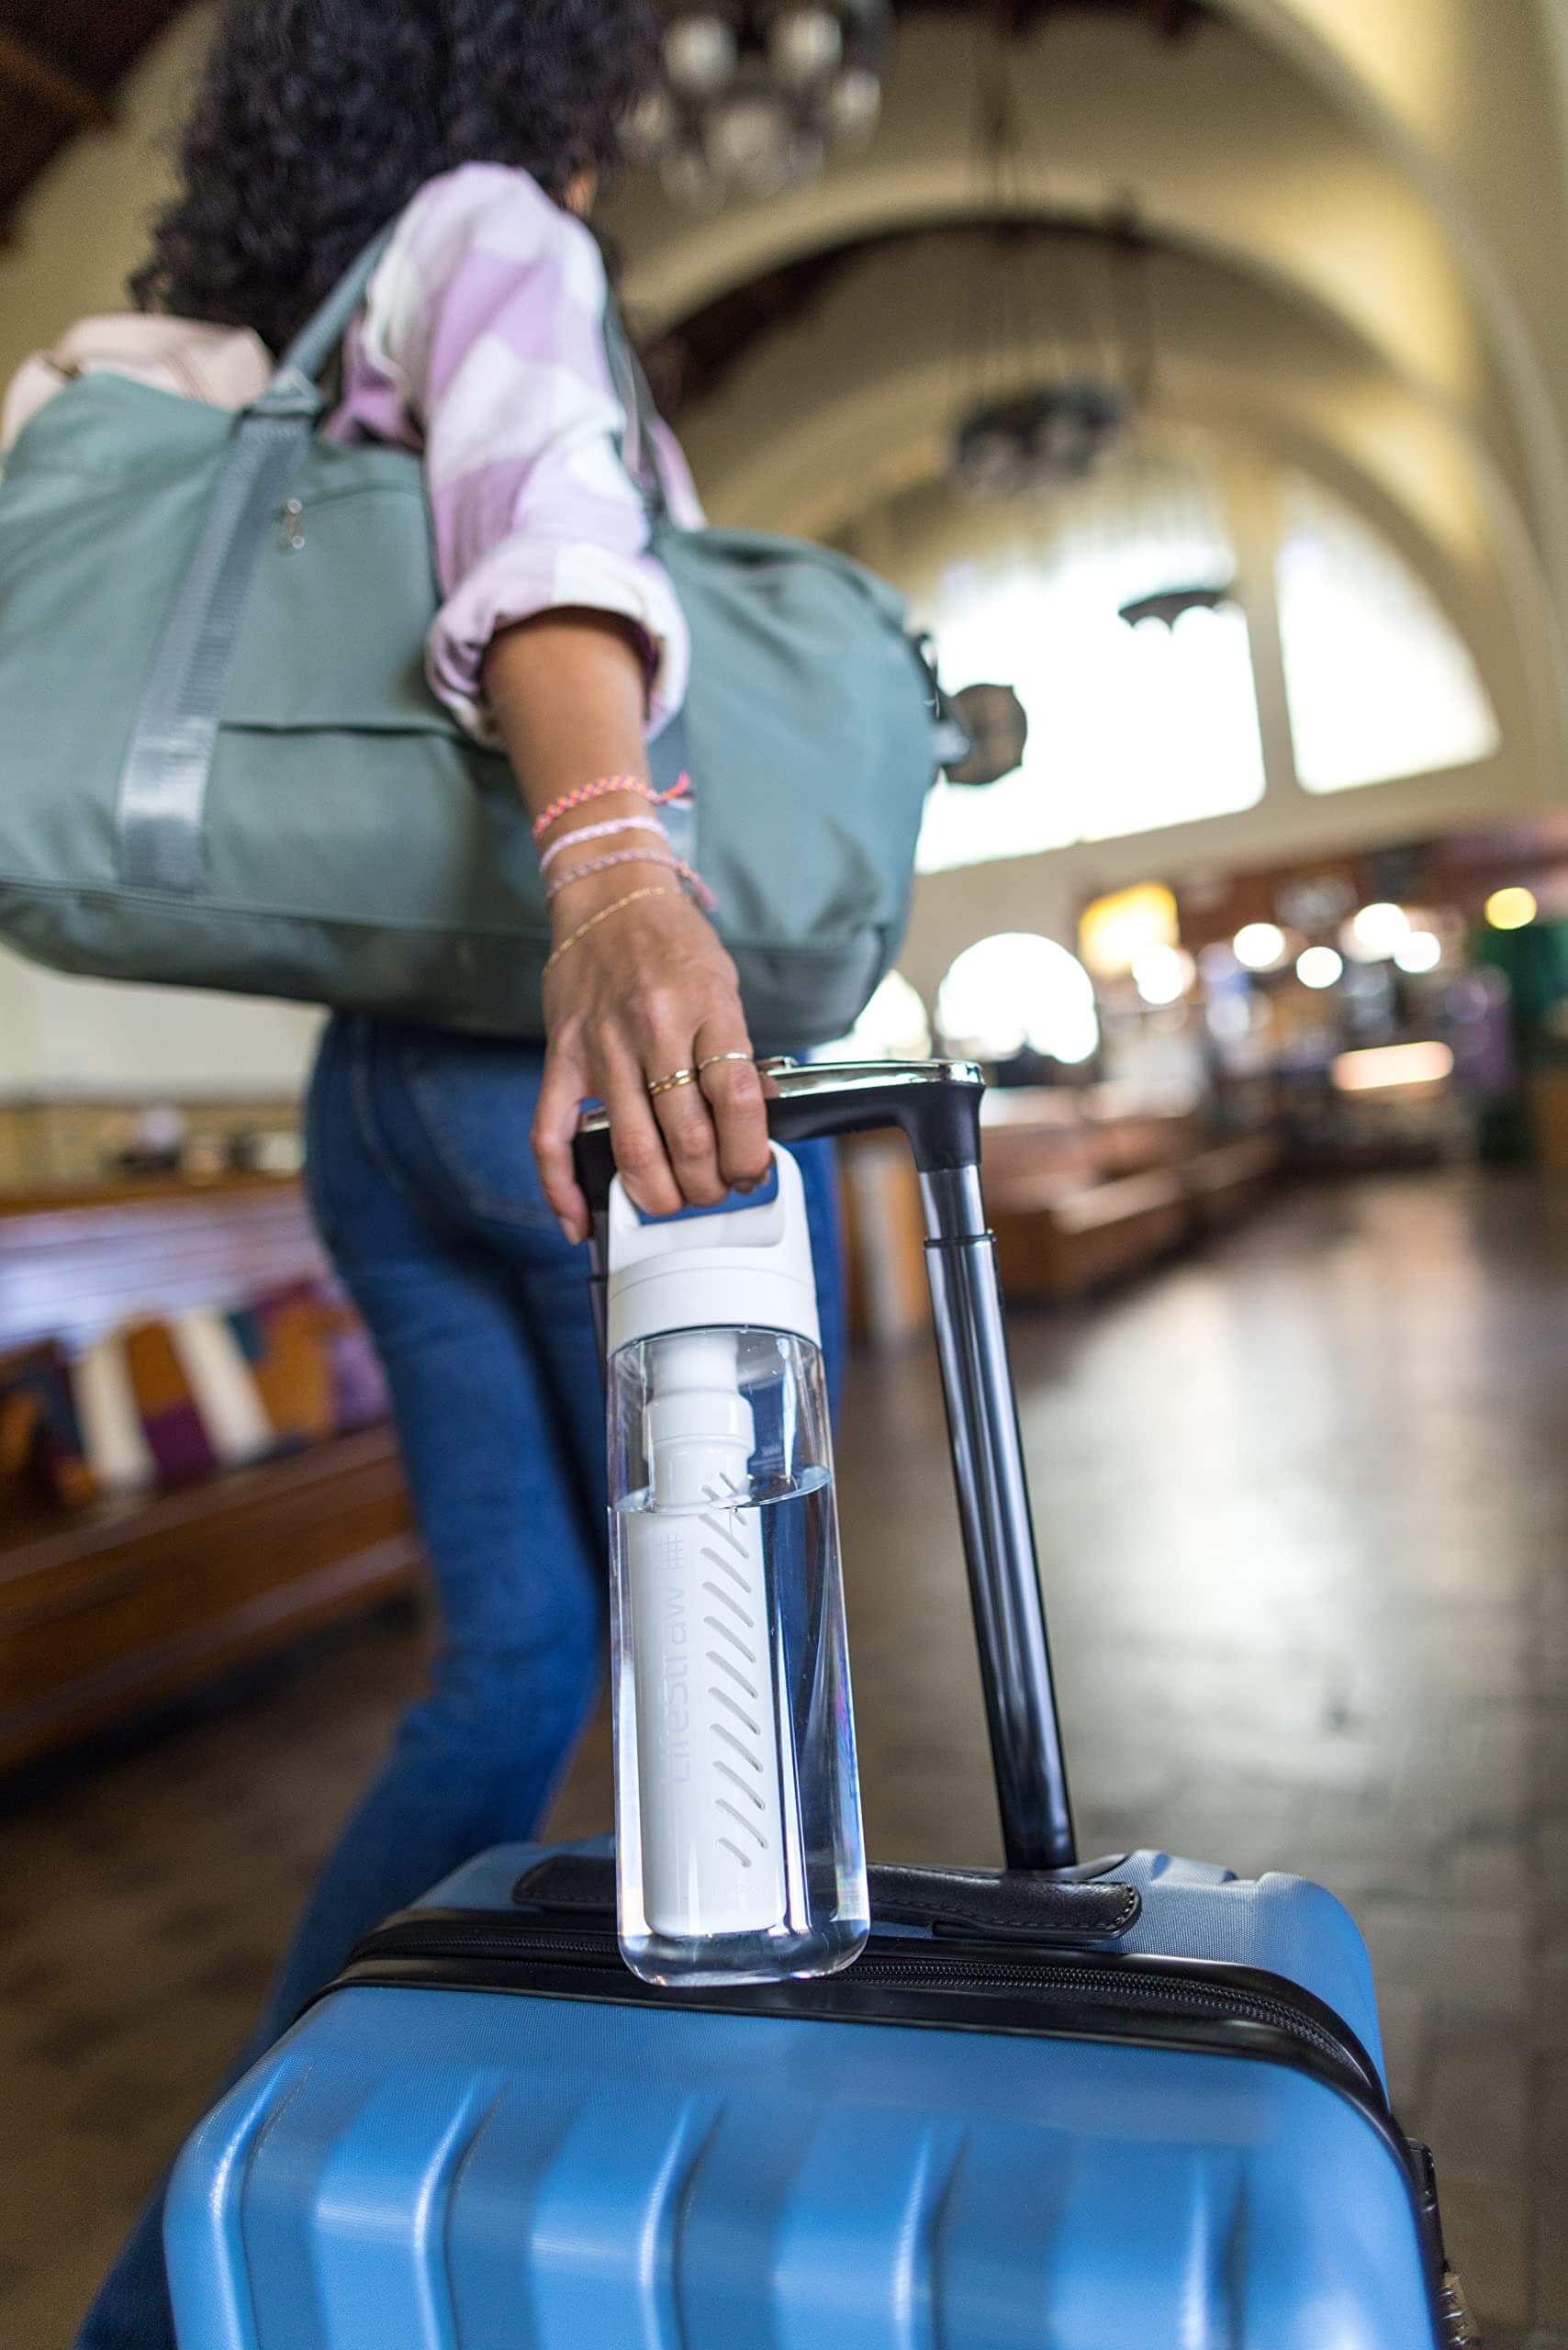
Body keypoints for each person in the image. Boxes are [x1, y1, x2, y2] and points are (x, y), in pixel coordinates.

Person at [76, 5, 844, 2343]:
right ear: (539, 79)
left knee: (514, 1661)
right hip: (550, 1056)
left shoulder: (227, 342)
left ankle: (209, 2261)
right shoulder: (494, 233)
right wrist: (617, 874)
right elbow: (543, 513)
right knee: (775, 1627)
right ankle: (779, 2231)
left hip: (365, 1104)